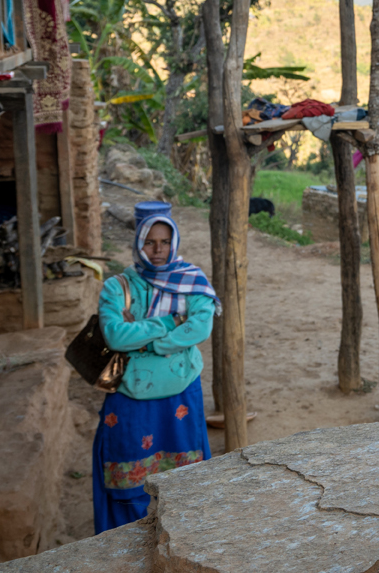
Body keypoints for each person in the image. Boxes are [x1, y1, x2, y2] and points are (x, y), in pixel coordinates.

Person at [92, 208, 217, 531]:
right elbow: (115, 334)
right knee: (126, 481)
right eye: (149, 242)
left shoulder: (192, 281)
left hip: (180, 394)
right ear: (137, 243)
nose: (158, 250)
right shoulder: (117, 287)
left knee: (186, 478)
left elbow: (201, 327)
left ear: (174, 241)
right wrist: (170, 322)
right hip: (130, 399)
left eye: (164, 242)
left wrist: (148, 342)